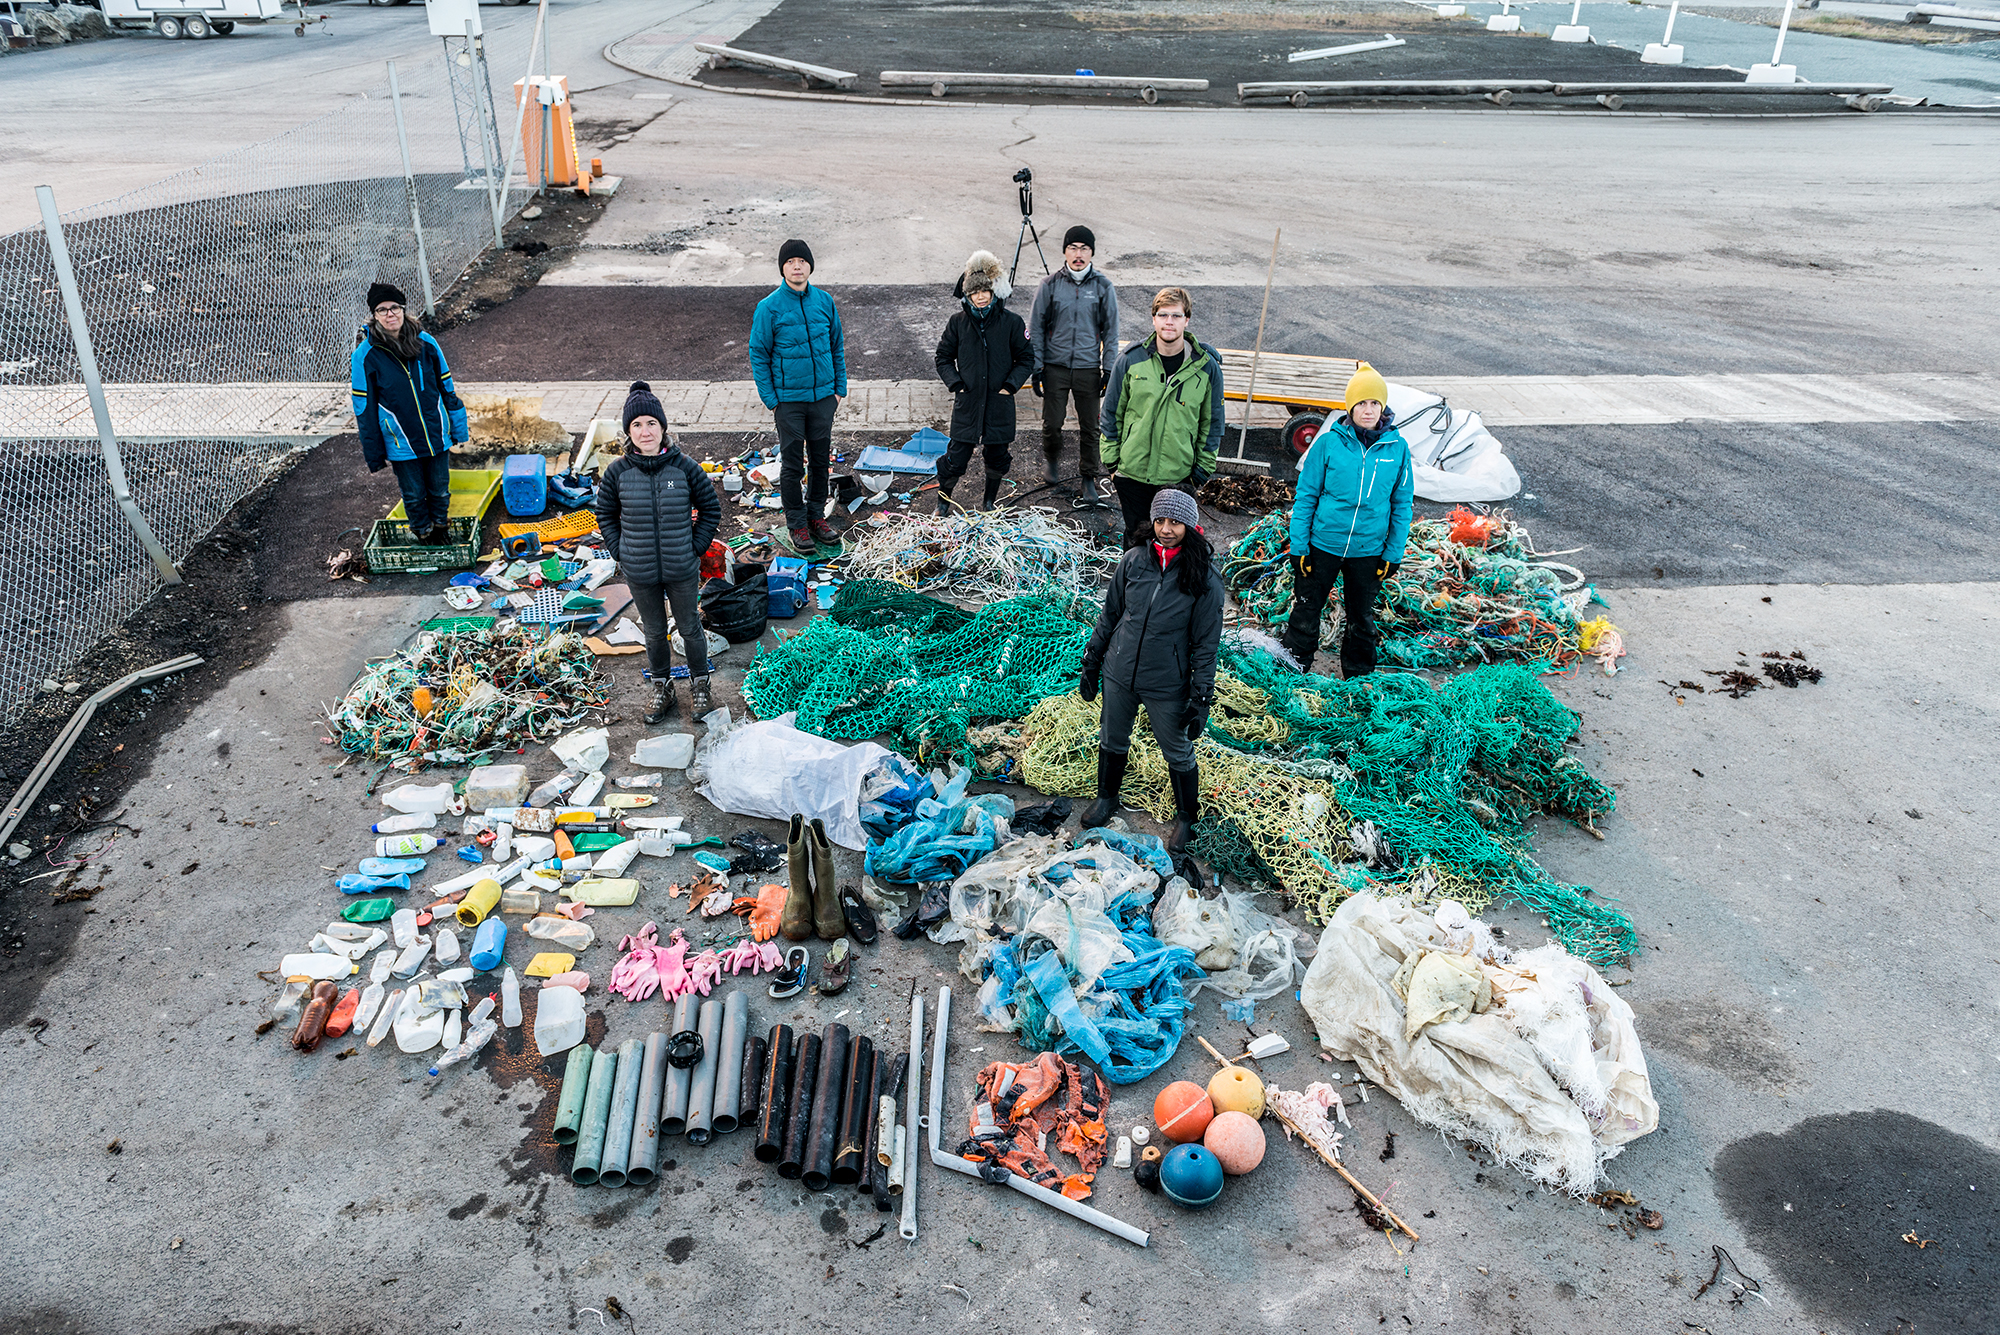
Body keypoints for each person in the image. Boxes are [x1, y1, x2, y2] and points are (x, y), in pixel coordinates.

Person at [1077, 488, 1223, 853]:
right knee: (1112, 738)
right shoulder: (1132, 561)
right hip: (1120, 670)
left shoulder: (1203, 577)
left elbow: (1206, 644)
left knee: (1177, 750)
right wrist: (1093, 661)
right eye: (1160, 520)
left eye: (1175, 522)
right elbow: (1110, 614)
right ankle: (1107, 798)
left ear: (1190, 525)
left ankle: (1187, 817)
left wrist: (1201, 696)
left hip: (1166, 680)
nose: (1166, 529)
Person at [594, 381, 723, 725]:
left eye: (651, 422)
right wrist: (620, 550)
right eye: (636, 425)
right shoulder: (617, 472)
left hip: (681, 567)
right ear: (628, 432)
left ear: (663, 428)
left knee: (690, 628)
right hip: (639, 570)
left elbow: (711, 509)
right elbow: (604, 514)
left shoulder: (684, 468)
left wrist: (694, 547)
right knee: (653, 632)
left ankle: (700, 687)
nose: (645, 430)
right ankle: (661, 687)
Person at [1282, 363, 1414, 678]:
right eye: (1361, 403)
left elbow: (1402, 503)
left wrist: (1393, 553)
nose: (1368, 410)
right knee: (1305, 610)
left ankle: (1357, 676)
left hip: (1368, 550)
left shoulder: (1397, 449)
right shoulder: (1328, 443)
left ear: (1382, 407)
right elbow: (1306, 497)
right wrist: (1299, 546)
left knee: (1362, 619)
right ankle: (1292, 669)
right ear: (1349, 406)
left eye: (1374, 403)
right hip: (1323, 544)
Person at [1099, 287, 1224, 548]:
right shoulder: (1130, 361)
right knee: (1136, 541)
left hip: (1176, 475)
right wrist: (1113, 464)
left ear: (1187, 320)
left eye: (1176, 316)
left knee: (1172, 543)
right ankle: (1132, 588)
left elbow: (1212, 424)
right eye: (1163, 314)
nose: (1169, 322)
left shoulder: (1206, 368)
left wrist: (1201, 469)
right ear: (1153, 318)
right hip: (1132, 473)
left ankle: (1168, 589)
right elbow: (1111, 413)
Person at [749, 239, 848, 555]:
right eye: (790, 261)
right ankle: (797, 524)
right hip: (788, 402)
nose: (796, 266)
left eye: (801, 261)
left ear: (809, 266)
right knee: (792, 466)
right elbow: (758, 353)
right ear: (782, 268)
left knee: (820, 461)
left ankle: (816, 516)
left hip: (823, 399)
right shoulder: (769, 307)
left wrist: (838, 390)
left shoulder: (824, 301)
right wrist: (772, 399)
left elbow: (836, 346)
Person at [350, 282, 467, 544]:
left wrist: (458, 428)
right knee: (414, 494)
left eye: (395, 307)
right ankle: (423, 533)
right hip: (401, 440)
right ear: (374, 315)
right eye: (382, 310)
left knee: (439, 490)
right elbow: (364, 409)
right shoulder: (365, 355)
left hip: (436, 434)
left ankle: (440, 529)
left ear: (403, 310)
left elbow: (446, 387)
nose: (390, 314)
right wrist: (374, 453)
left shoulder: (426, 342)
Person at [934, 251, 1033, 512]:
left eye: (985, 291)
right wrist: (956, 384)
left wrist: (1010, 386)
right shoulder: (957, 323)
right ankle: (943, 502)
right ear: (967, 294)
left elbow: (1026, 358)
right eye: (974, 292)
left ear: (994, 291)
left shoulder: (1012, 323)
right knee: (955, 458)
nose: (980, 297)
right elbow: (943, 357)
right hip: (968, 403)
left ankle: (989, 501)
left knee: (997, 457)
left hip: (999, 404)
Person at [1028, 224, 1119, 489]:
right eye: (1073, 248)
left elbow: (1111, 331)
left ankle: (1088, 477)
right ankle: (1052, 460)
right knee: (1052, 423)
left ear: (1092, 252)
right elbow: (1035, 327)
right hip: (1055, 367)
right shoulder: (1050, 285)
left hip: (1088, 368)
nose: (1078, 254)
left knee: (1090, 427)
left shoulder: (1103, 287)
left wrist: (1109, 368)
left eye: (1084, 248)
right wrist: (1037, 366)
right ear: (1065, 251)